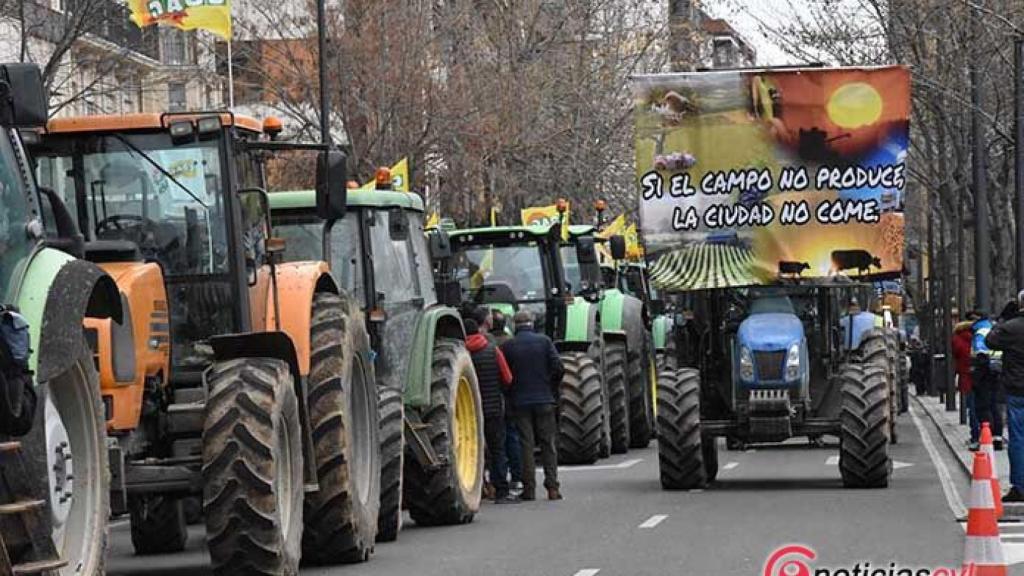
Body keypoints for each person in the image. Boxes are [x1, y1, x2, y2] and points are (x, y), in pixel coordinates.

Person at [501, 309, 564, 501]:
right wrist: (551, 388)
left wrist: (510, 393)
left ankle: (529, 489)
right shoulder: (544, 342)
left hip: (520, 402)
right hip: (544, 399)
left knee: (525, 446)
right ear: (532, 323)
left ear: (514, 326)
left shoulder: (508, 346)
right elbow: (558, 368)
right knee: (548, 444)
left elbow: (504, 376)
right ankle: (552, 487)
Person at [463, 318, 518, 504]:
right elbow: (508, 378)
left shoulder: (462, 354)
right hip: (494, 408)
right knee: (497, 450)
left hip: (469, 413)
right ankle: (501, 490)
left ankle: (479, 488)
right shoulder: (492, 350)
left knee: (473, 451)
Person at [985, 290, 1024, 502]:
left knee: (1018, 438)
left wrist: (1005, 317)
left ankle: (1020, 486)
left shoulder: (1010, 328)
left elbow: (990, 340)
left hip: (1017, 389)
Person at [491, 311, 522, 494]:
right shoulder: (509, 345)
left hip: (493, 399)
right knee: (511, 437)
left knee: (497, 443)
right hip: (508, 397)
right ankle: (516, 476)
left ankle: (497, 480)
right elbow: (509, 377)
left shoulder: (489, 346)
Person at [972, 310, 1005, 450]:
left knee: (983, 406)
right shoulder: (995, 328)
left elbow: (980, 353)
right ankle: (997, 437)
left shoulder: (980, 332)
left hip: (984, 372)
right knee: (995, 405)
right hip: (998, 370)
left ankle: (987, 436)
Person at [952, 319, 979, 450]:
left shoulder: (957, 339)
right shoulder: (978, 336)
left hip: (966, 376)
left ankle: (975, 436)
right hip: (982, 376)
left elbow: (956, 355)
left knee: (972, 407)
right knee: (983, 406)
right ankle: (986, 434)